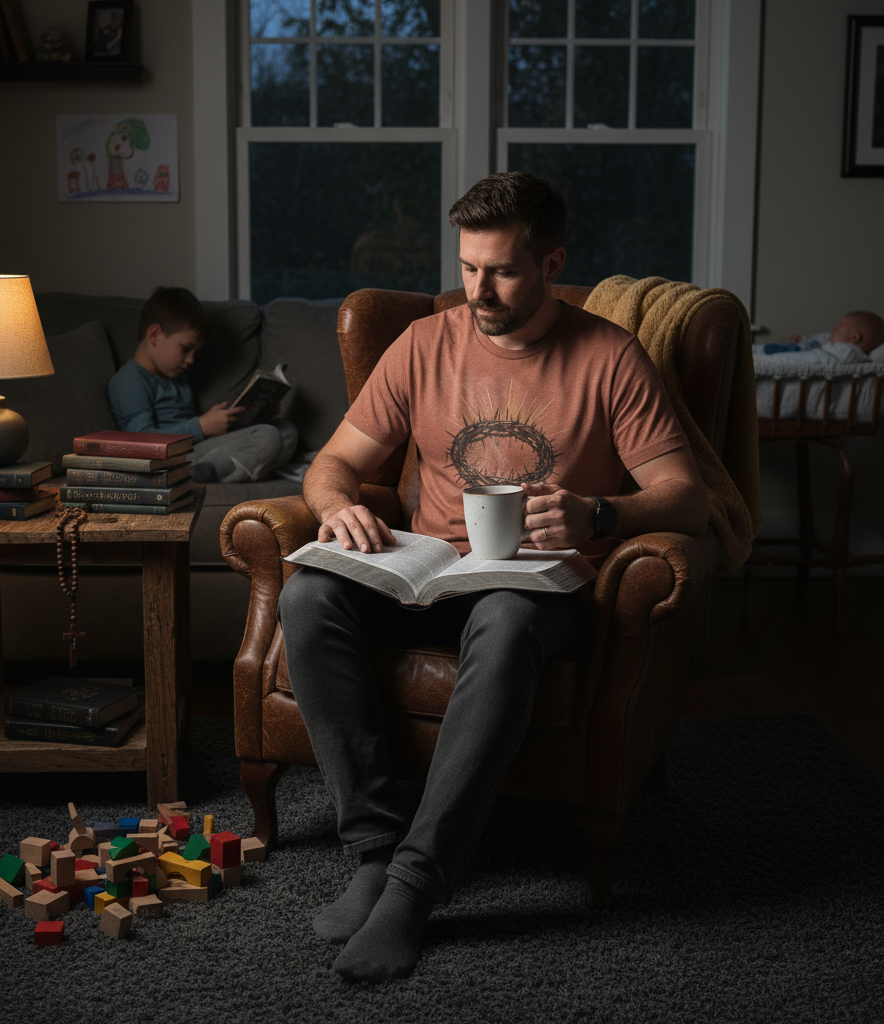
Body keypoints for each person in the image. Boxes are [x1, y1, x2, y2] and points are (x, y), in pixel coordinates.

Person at [276, 172, 711, 983]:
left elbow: (687, 497)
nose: (479, 290)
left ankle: (415, 883)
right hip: (431, 572)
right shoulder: (422, 344)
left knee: (506, 620)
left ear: (551, 263)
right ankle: (374, 849)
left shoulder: (609, 356)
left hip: (541, 589)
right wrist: (337, 507)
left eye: (503, 271)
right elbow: (333, 463)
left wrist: (599, 514)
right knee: (308, 597)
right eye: (469, 268)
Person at [108, 286, 297, 483]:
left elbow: (193, 428)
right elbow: (140, 443)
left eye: (195, 353)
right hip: (169, 459)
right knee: (267, 437)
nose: (191, 360)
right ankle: (202, 473)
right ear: (154, 335)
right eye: (186, 349)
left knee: (286, 431)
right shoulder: (130, 380)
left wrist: (252, 415)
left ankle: (216, 470)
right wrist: (201, 427)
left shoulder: (176, 377)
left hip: (198, 450)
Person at [758, 310, 884, 361]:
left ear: (854, 338)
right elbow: (818, 342)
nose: (832, 331)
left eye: (837, 329)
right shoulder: (833, 345)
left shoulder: (846, 353)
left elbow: (812, 358)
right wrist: (803, 341)